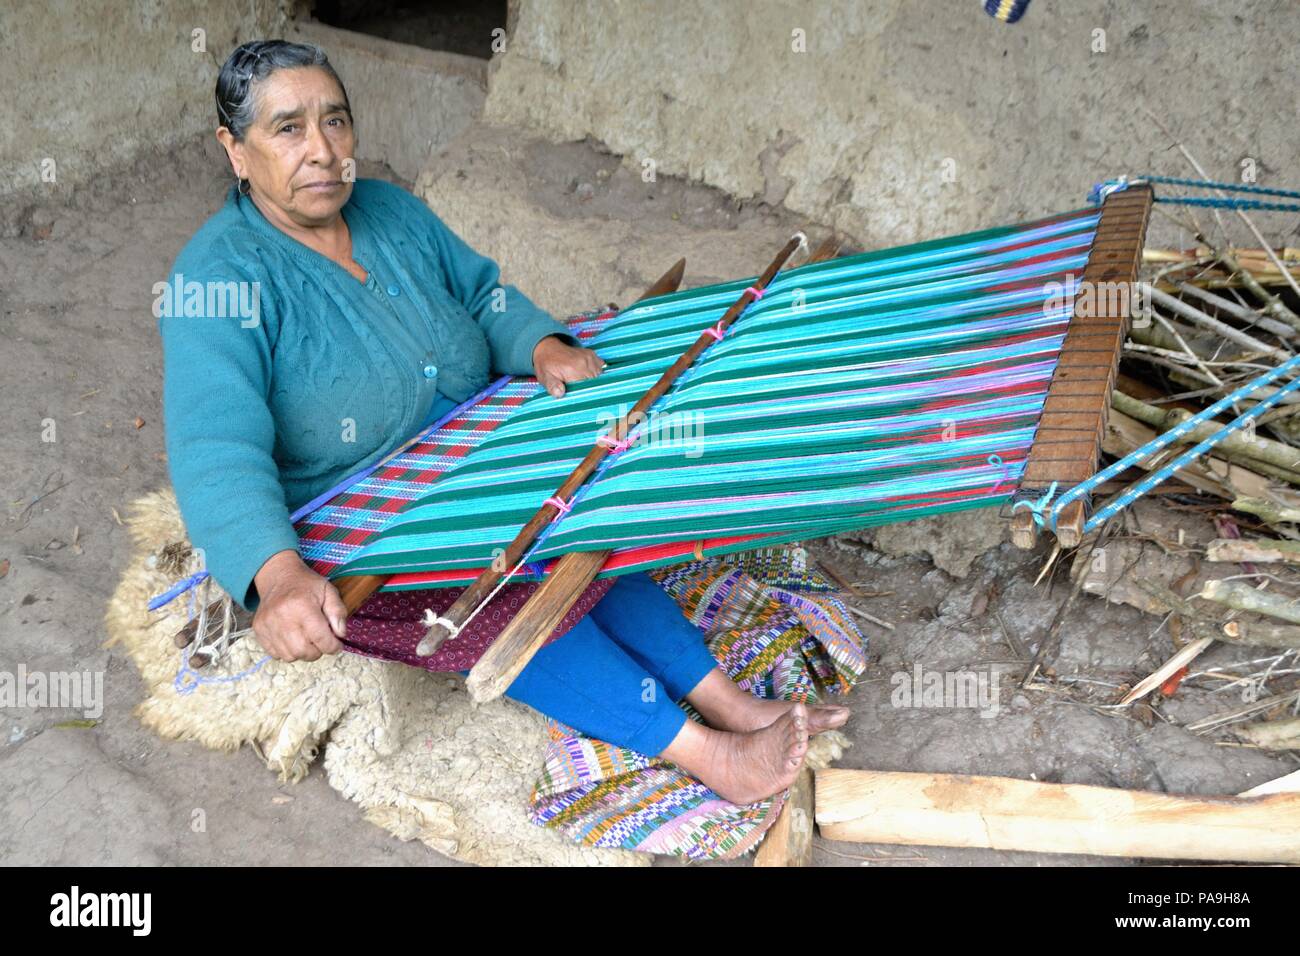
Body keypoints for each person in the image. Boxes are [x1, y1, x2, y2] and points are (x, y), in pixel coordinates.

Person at [159, 40, 847, 805]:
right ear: (234, 149)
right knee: (503, 597)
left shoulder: (389, 209)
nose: (323, 152)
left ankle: (725, 697)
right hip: (366, 524)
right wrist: (277, 572)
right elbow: (214, 443)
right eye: (288, 129)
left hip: (478, 459)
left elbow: (483, 295)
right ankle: (705, 751)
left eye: (336, 122)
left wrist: (540, 343)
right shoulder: (217, 278)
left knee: (580, 527)